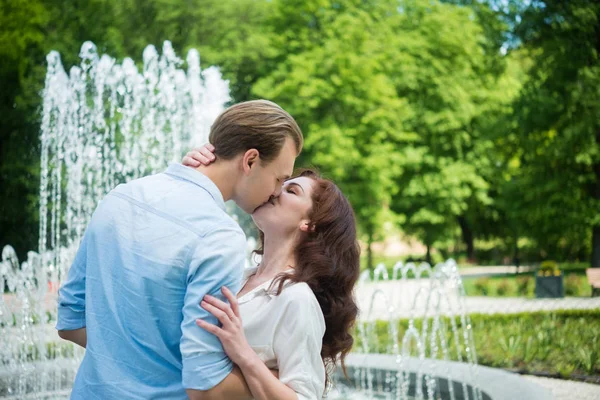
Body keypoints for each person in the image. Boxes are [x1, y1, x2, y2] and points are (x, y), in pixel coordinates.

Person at [56, 100, 303, 399]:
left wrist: (129, 361)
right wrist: (276, 380)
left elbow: (70, 322)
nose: (277, 191)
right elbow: (204, 388)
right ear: (250, 161)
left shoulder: (120, 197)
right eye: (279, 178)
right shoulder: (220, 236)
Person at [183, 150, 361, 400]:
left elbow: (304, 397)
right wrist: (195, 176)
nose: (275, 191)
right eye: (279, 183)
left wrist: (244, 354)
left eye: (291, 191)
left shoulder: (296, 298)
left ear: (309, 223)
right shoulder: (237, 276)